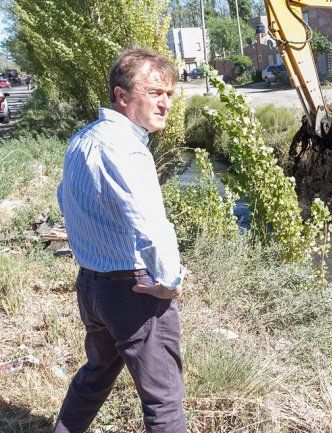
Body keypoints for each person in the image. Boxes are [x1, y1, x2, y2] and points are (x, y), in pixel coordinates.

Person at [54, 46, 187, 433]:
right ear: (122, 95)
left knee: (95, 375)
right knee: (163, 399)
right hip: (134, 291)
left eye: (169, 95)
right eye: (154, 93)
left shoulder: (82, 139)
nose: (165, 104)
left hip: (93, 286)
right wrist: (169, 282)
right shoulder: (126, 148)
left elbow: (67, 200)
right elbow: (151, 224)